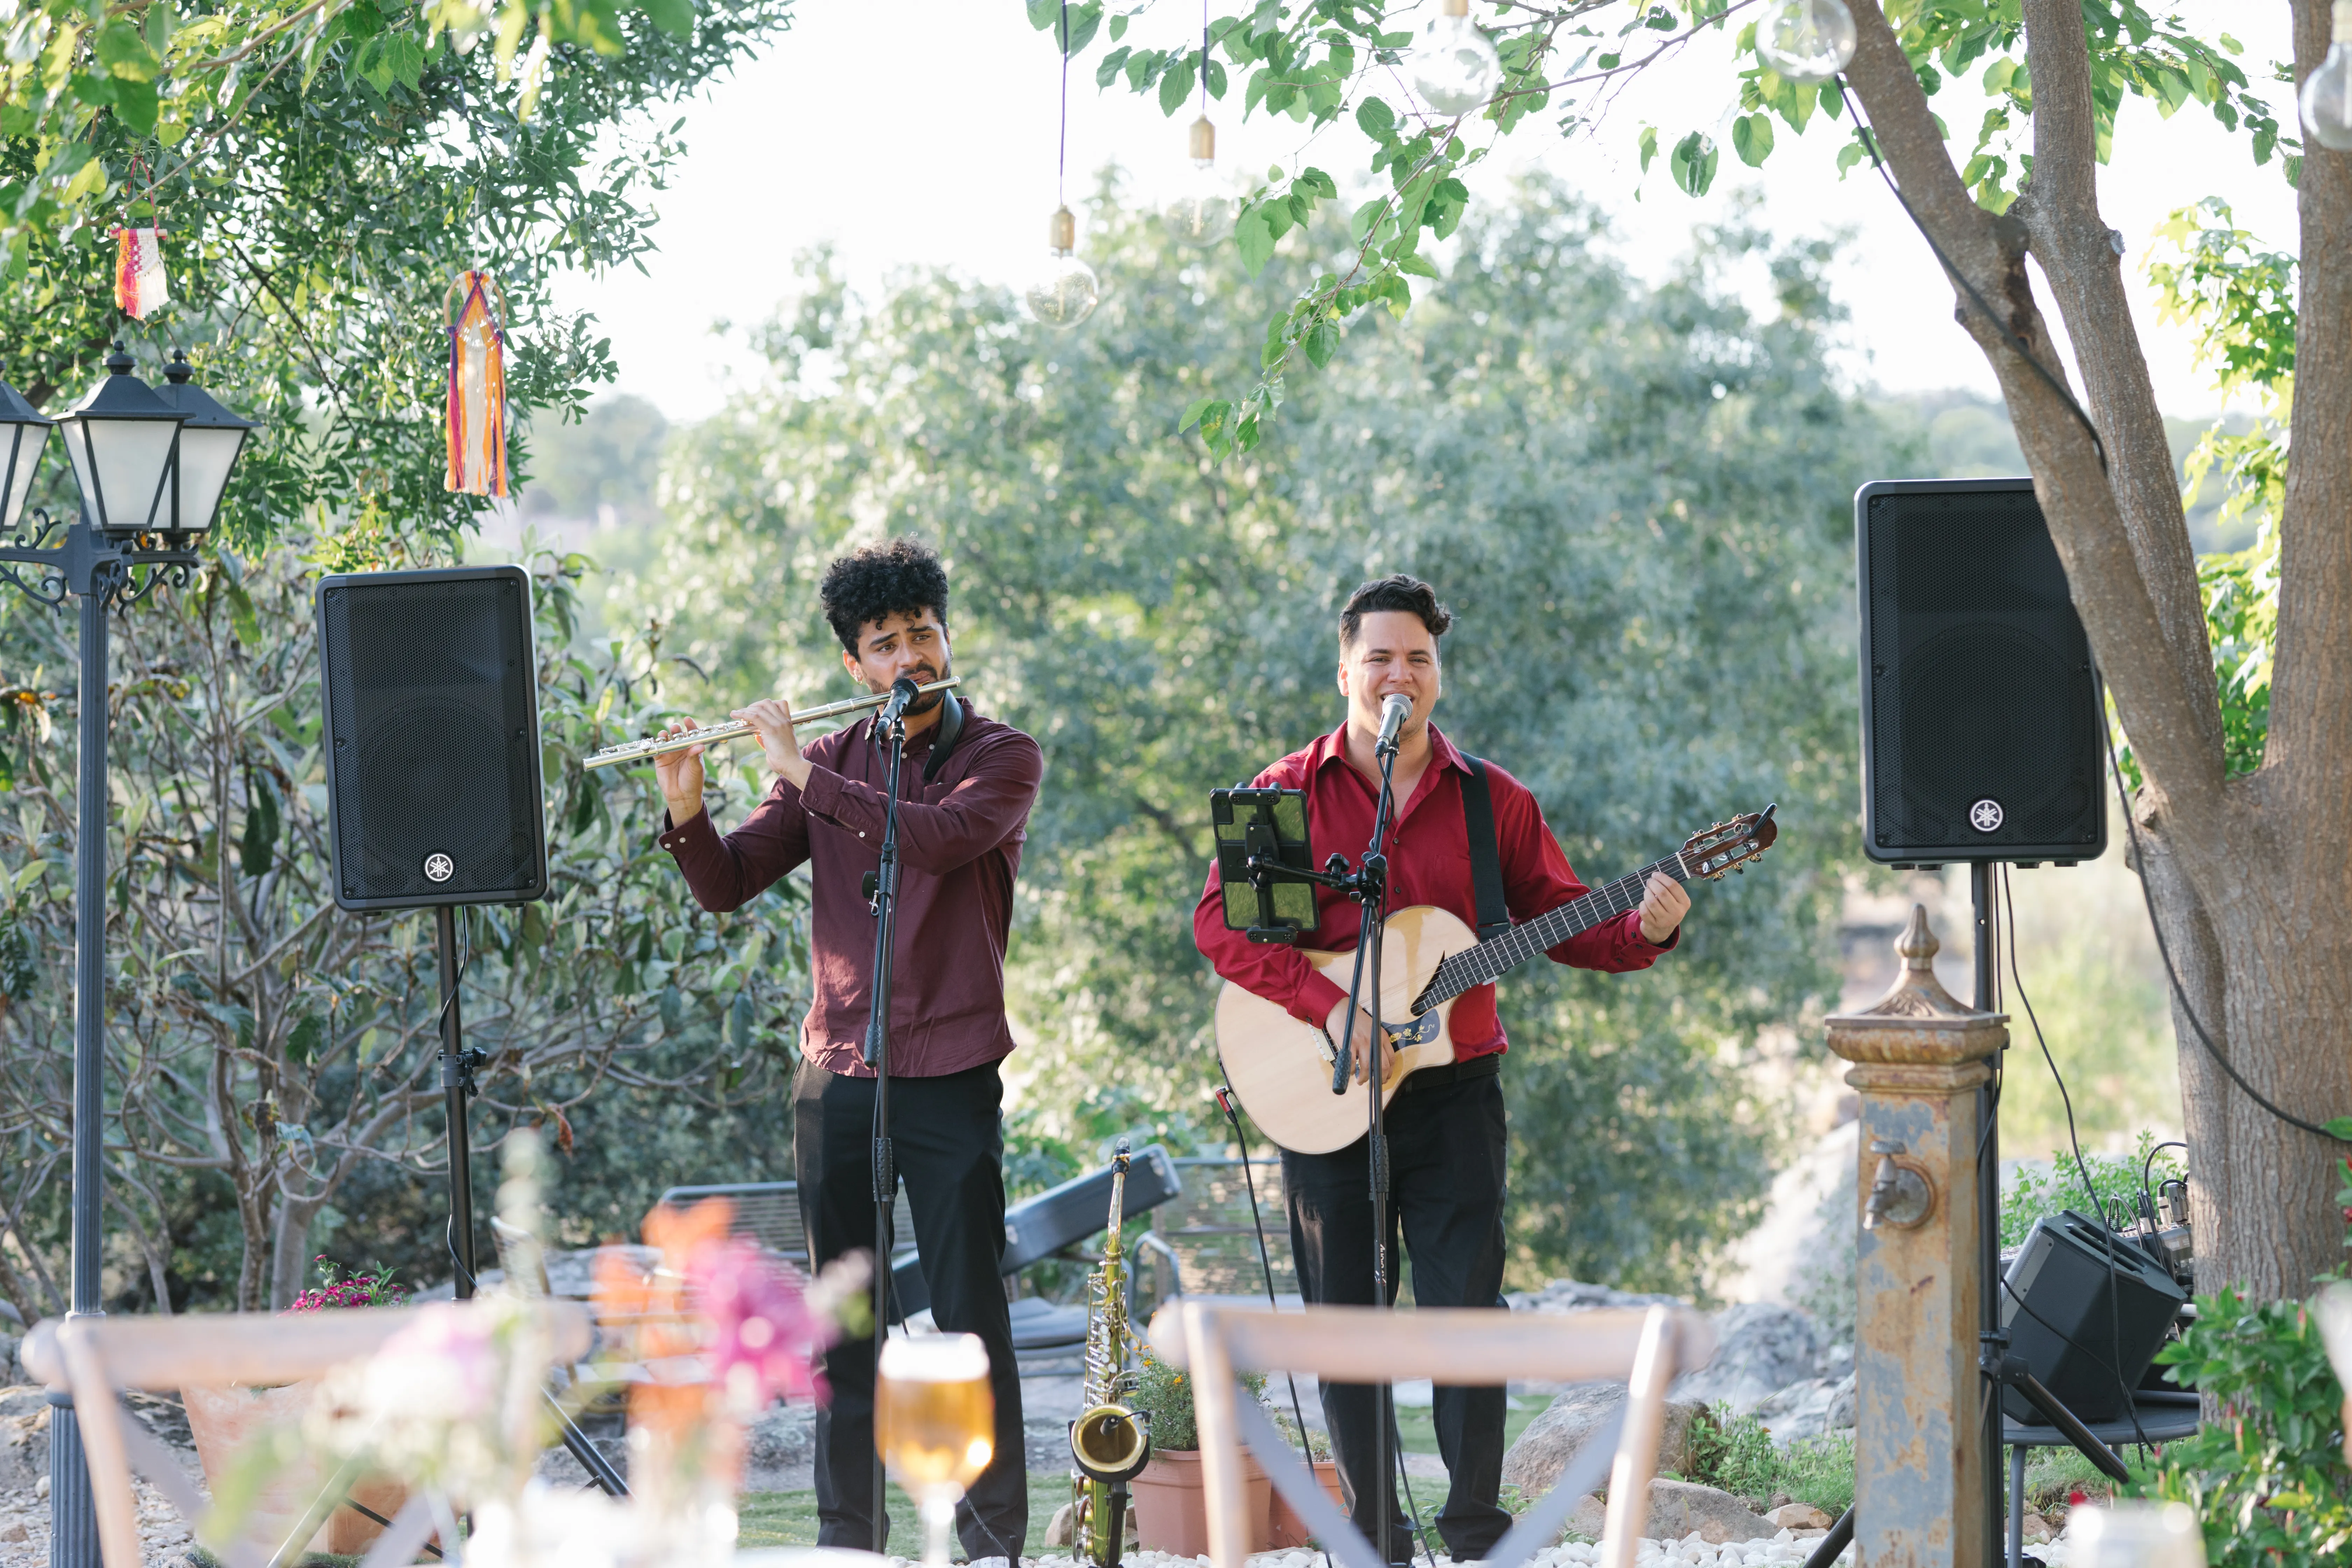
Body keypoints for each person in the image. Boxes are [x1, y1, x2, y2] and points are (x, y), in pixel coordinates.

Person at [1191, 574, 1690, 1563]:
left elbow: (1565, 919)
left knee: (1469, 1315)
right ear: (1346, 672)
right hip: (1324, 1090)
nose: (1399, 674)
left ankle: (1474, 1534)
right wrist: (1332, 1009)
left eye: (1418, 658)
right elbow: (1221, 925)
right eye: (1380, 657)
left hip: (1458, 1093)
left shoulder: (1491, 801)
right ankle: (1368, 1538)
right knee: (1343, 1323)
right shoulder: (1285, 791)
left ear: (1439, 677)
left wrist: (1644, 928)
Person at [652, 537, 1041, 1559]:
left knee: (966, 1312)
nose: (910, 655)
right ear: (853, 667)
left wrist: (797, 775)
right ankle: (848, 1542)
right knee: (843, 1321)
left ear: (946, 639)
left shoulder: (1002, 756)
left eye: (924, 633)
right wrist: (688, 806)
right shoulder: (829, 761)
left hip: (951, 1073)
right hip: (838, 1076)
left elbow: (941, 837)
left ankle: (990, 1539)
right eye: (886, 643)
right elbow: (729, 882)